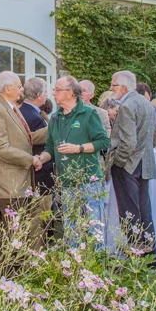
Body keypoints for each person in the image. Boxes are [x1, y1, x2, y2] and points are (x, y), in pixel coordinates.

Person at [39, 76, 109, 240]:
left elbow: (104, 142)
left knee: (94, 230)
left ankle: (97, 257)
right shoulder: (55, 118)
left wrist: (78, 148)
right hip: (66, 181)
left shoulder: (88, 113)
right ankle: (74, 257)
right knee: (71, 231)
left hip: (89, 180)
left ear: (70, 93)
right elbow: (50, 147)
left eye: (57, 90)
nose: (53, 93)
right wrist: (40, 159)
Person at [0, 71, 46, 228]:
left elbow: (26, 137)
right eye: (19, 86)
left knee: (20, 231)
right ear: (7, 88)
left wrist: (53, 130)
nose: (22, 90)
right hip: (8, 184)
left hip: (17, 182)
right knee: (16, 233)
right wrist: (30, 159)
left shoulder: (11, 107)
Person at [106, 71, 156, 240]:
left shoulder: (127, 106)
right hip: (144, 163)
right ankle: (149, 250)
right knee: (144, 209)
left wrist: (118, 161)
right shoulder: (147, 103)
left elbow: (128, 143)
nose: (110, 88)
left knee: (129, 212)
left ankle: (134, 250)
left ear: (123, 88)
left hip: (128, 164)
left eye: (113, 85)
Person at [18, 78, 54, 224]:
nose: (47, 96)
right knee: (38, 218)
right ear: (39, 95)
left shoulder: (23, 111)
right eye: (46, 92)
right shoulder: (33, 116)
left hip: (33, 172)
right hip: (39, 173)